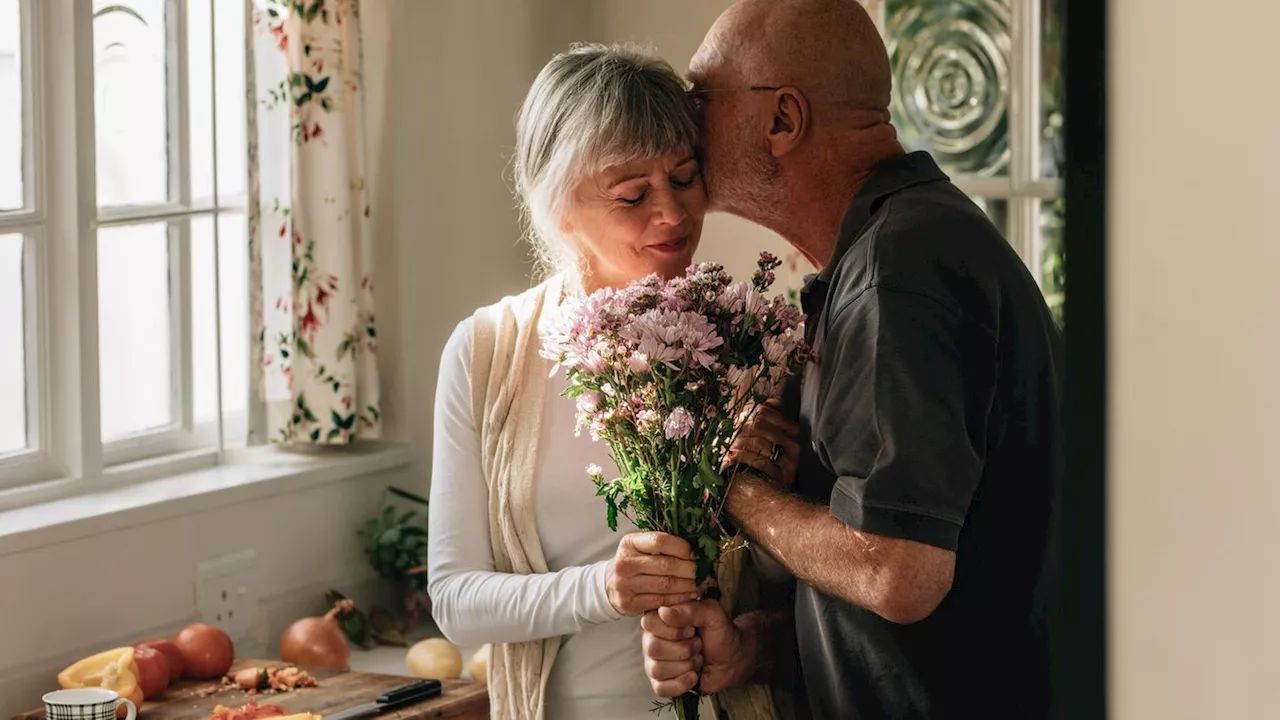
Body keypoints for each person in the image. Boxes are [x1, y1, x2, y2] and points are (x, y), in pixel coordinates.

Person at [641, 1, 1065, 718]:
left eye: (702, 97)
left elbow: (899, 574)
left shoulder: (898, 272)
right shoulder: (897, 250)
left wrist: (736, 489)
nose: (685, 121)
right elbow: (928, 594)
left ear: (782, 120)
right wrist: (754, 649)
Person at [426, 44, 787, 720]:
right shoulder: (487, 353)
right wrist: (606, 588)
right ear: (557, 205)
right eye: (633, 194)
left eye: (685, 176)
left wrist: (770, 493)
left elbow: (792, 603)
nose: (675, 215)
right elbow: (456, 604)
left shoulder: (749, 348)